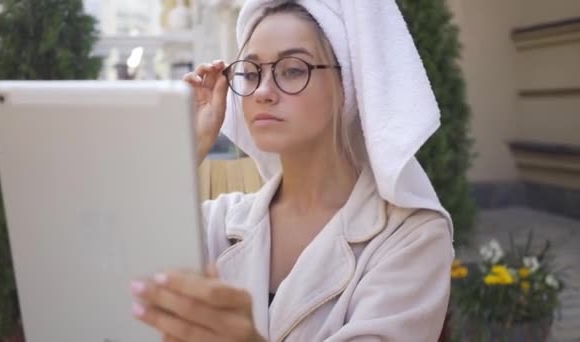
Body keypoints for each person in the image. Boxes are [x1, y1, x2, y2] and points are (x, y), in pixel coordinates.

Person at [131, 1, 454, 341]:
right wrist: (186, 149)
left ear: (348, 82)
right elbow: (109, 267)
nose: (263, 92)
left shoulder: (410, 237)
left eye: (292, 70)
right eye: (252, 74)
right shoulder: (218, 224)